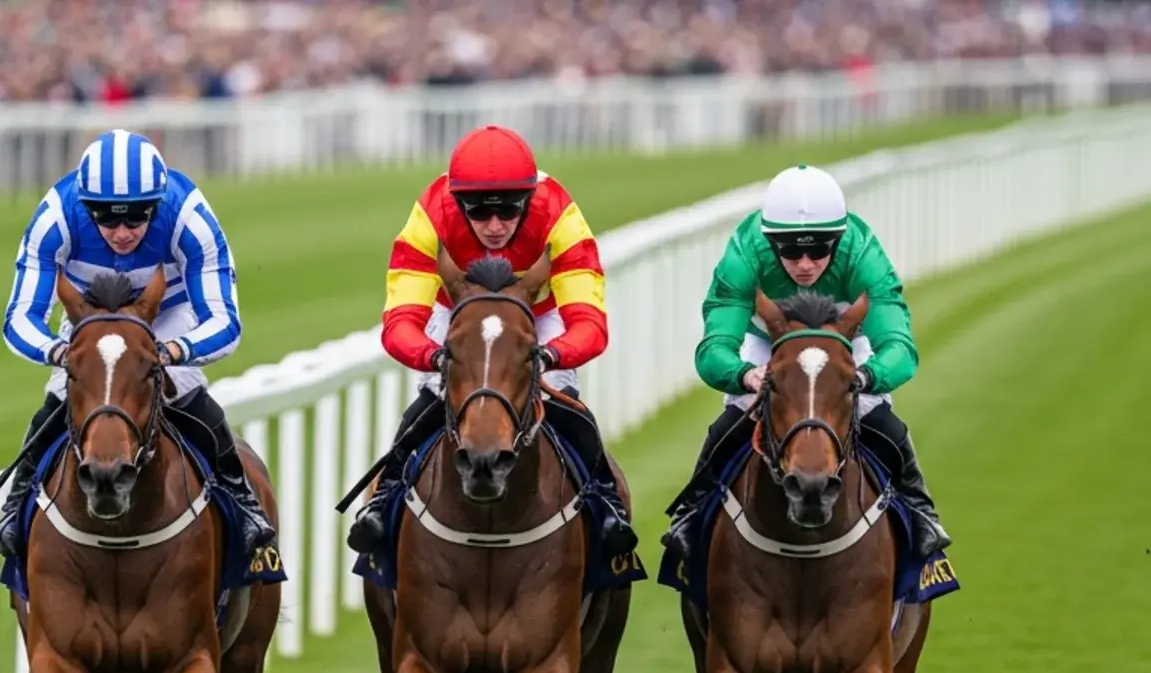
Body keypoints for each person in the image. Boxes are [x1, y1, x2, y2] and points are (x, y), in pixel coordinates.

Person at [345, 124, 638, 559]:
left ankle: (607, 506)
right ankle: (385, 501)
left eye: (509, 211)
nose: (495, 226)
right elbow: (401, 321)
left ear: (529, 200)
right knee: (430, 401)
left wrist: (552, 354)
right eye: (479, 212)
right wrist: (435, 356)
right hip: (460, 311)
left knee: (568, 403)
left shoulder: (559, 213)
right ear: (456, 201)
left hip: (540, 314)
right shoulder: (431, 213)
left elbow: (589, 323)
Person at [0, 128, 275, 560]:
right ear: (86, 208)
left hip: (167, 316)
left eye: (137, 217)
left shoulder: (187, 214)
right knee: (57, 399)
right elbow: (20, 318)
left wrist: (172, 352)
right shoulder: (57, 216)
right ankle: (15, 508)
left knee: (189, 393)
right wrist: (61, 353)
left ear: (156, 205)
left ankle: (243, 504)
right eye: (106, 218)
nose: (122, 232)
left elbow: (224, 320)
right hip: (92, 320)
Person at [660, 163, 951, 561]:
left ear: (839, 239)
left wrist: (867, 376)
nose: (805, 264)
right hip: (768, 341)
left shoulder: (862, 254)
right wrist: (744, 375)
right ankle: (690, 516)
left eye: (818, 249)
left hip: (849, 340)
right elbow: (714, 349)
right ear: (769, 242)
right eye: (791, 250)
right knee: (740, 408)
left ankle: (921, 512)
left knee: (873, 409)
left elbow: (899, 347)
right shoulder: (745, 253)